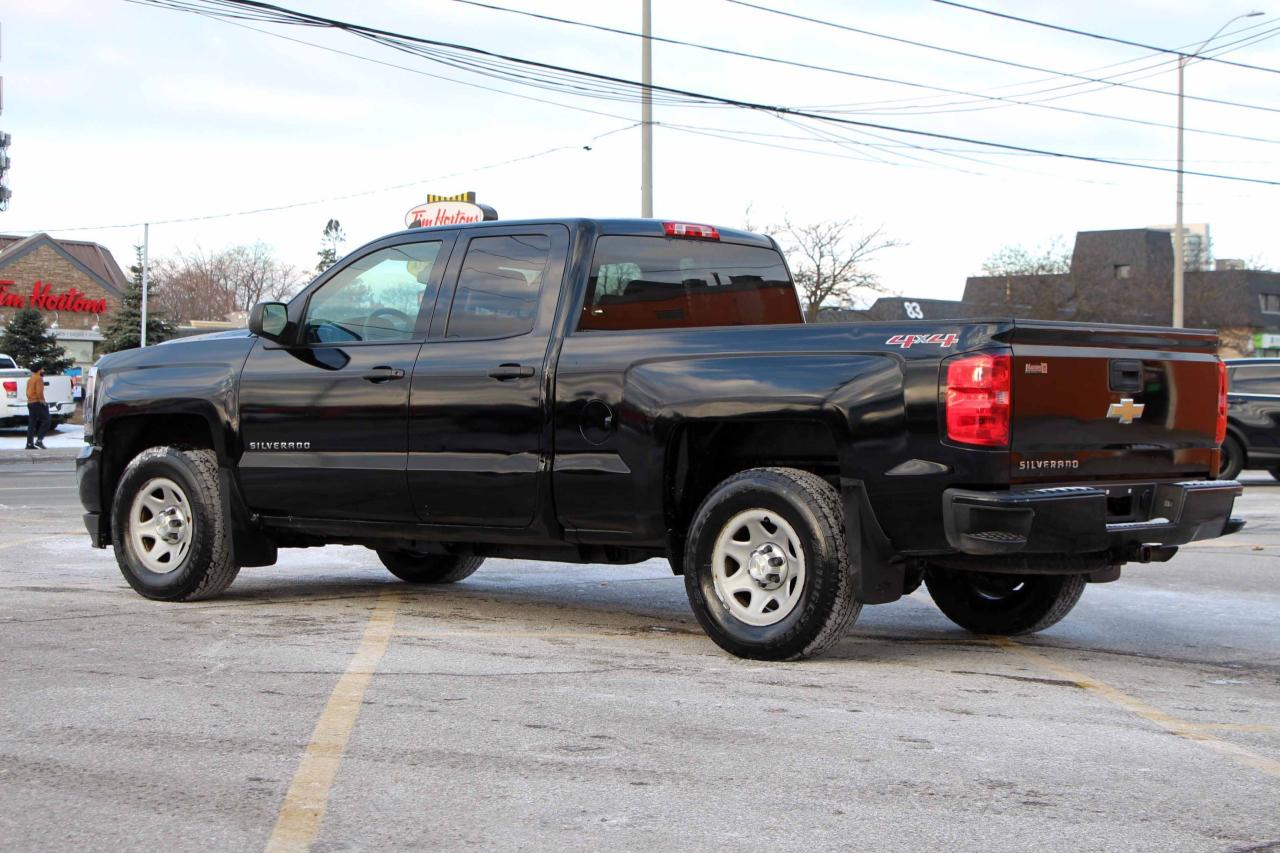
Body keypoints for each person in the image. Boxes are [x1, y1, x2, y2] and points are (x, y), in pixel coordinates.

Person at [25, 366, 50, 450]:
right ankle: (39, 441)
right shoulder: (39, 379)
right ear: (39, 370)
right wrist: (42, 401)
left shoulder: (30, 379)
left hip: (30, 402)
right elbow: (39, 392)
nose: (43, 370)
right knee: (46, 420)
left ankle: (29, 443)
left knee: (32, 423)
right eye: (42, 369)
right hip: (37, 402)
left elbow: (27, 391)